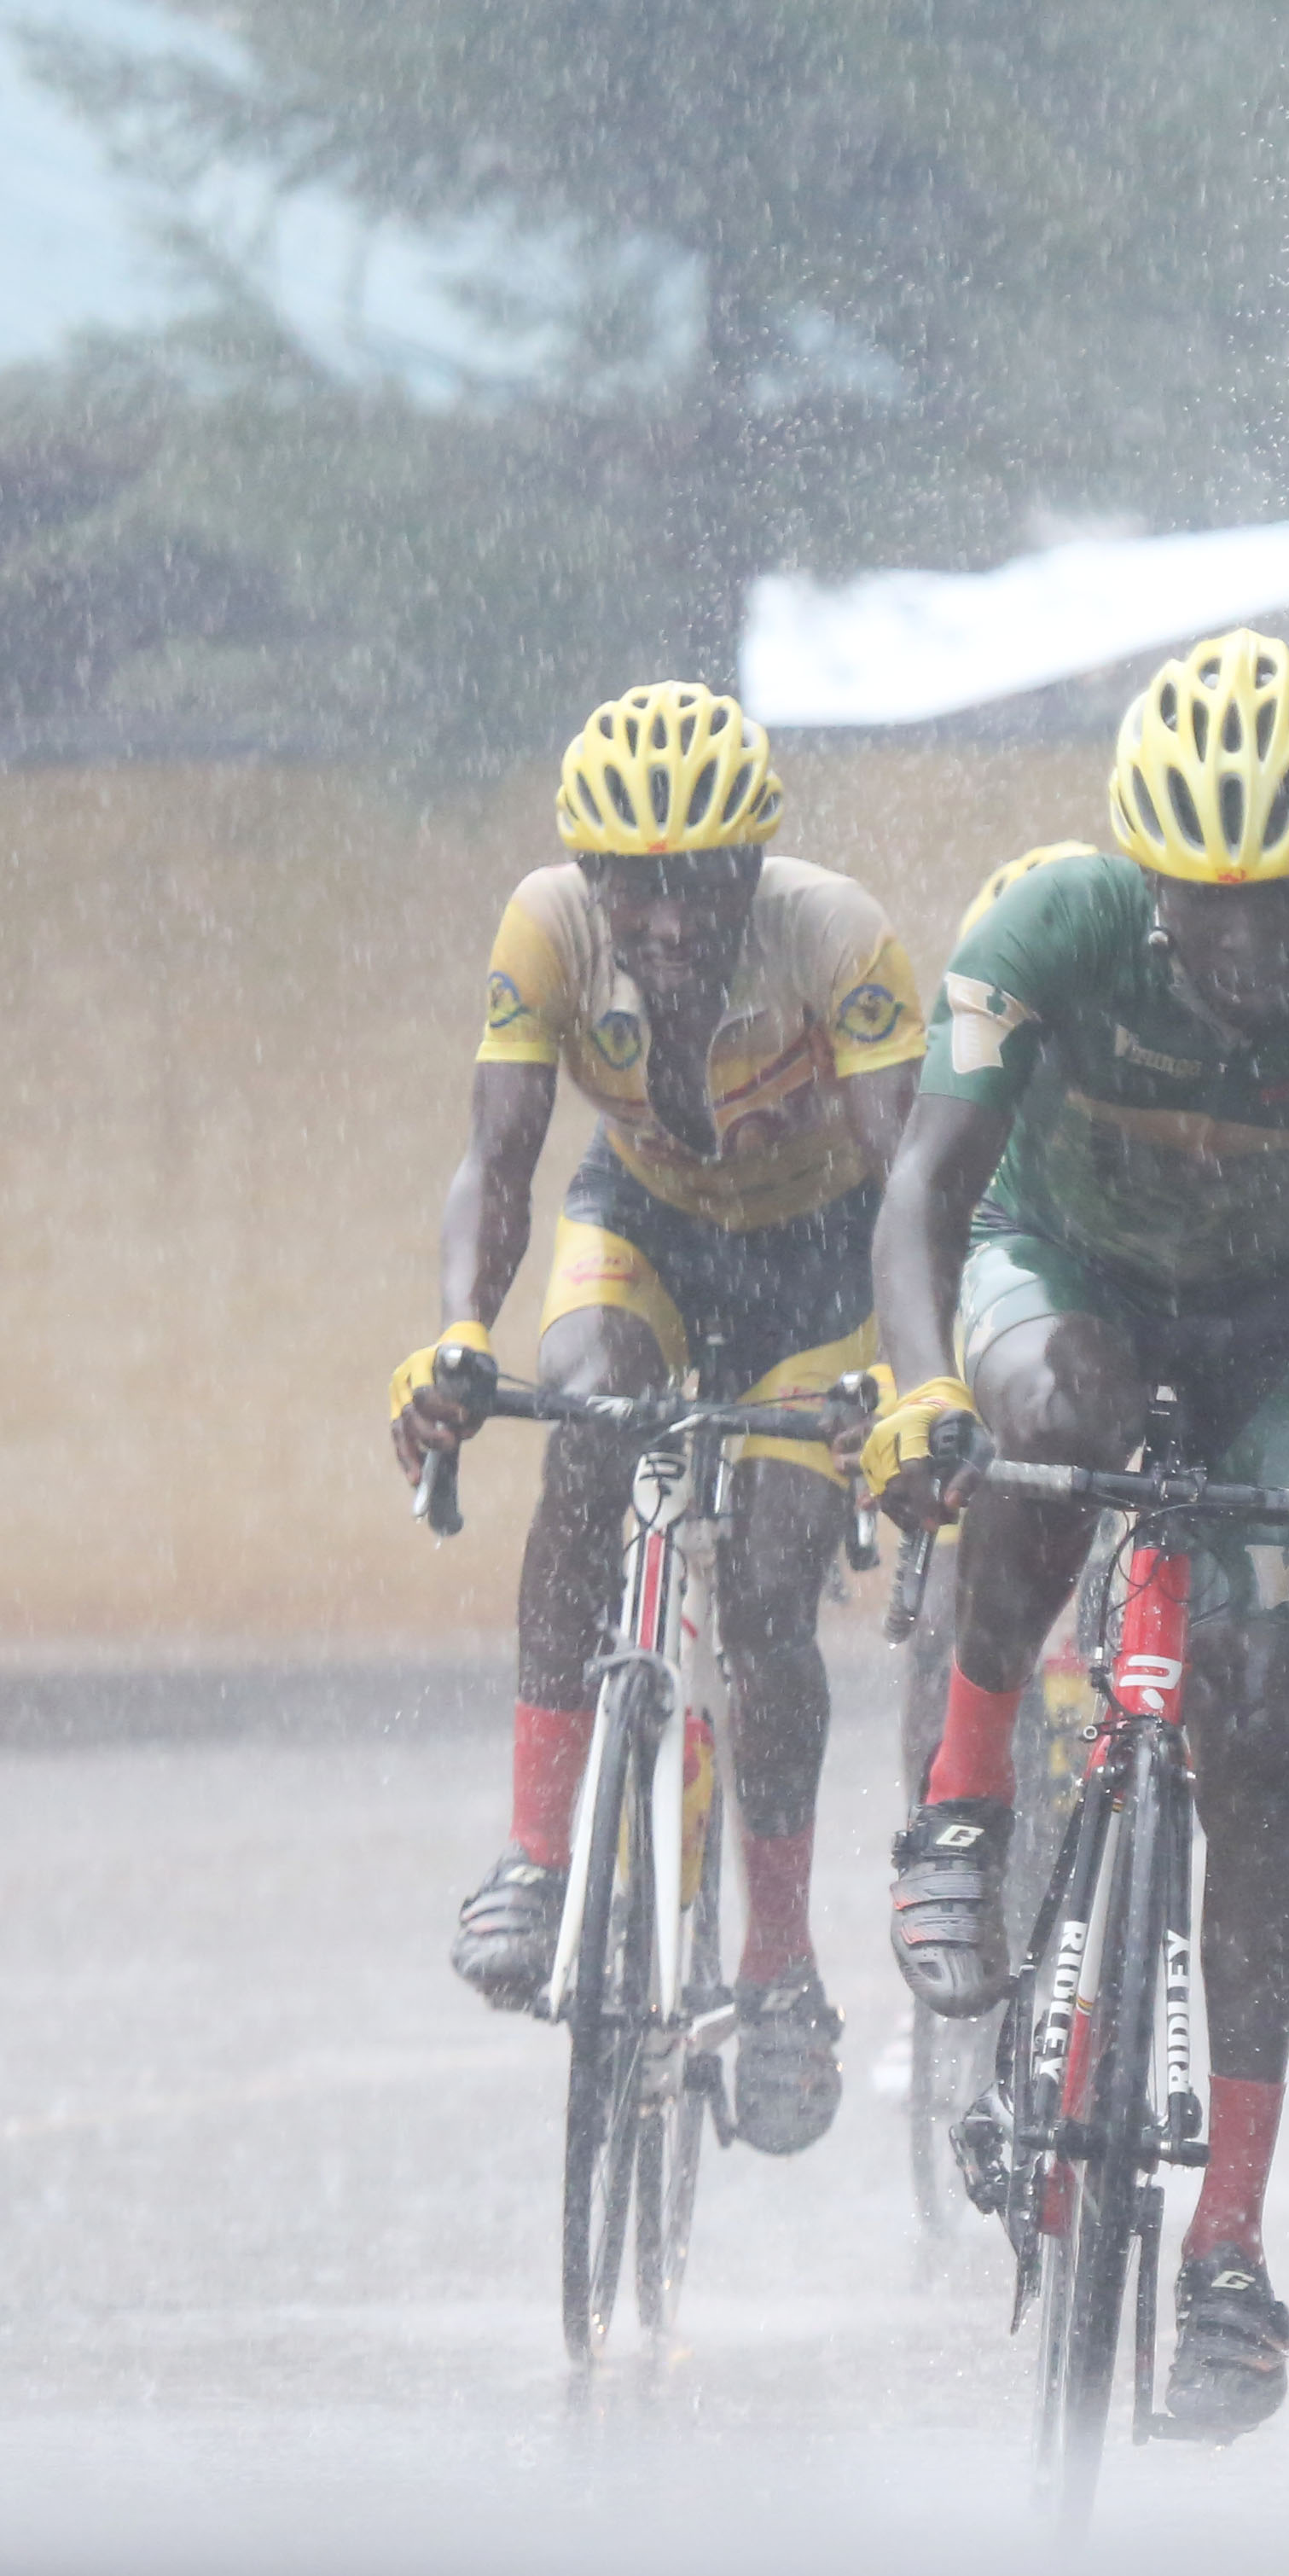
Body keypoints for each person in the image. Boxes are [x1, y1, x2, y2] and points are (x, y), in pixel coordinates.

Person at [857, 630, 1289, 2441]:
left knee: (1259, 1744)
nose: (1253, 945)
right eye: (1210, 906)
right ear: (1147, 878)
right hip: (1068, 1276)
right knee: (1045, 1415)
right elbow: (925, 1194)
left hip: (1272, 1326)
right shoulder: (1052, 936)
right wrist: (910, 1389)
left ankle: (1233, 2251)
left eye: (1287, 905)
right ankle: (963, 1807)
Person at [388, 682, 920, 2157]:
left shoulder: (837, 938)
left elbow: (912, 1184)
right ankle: (536, 1854)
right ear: (595, 875)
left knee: (766, 1598)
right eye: (636, 884)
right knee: (586, 1425)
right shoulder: (546, 929)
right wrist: (454, 1342)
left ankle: (782, 1970)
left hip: (819, 1257)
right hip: (649, 1230)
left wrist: (916, 1381)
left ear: (751, 869)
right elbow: (500, 1160)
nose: (668, 919)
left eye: (699, 883)